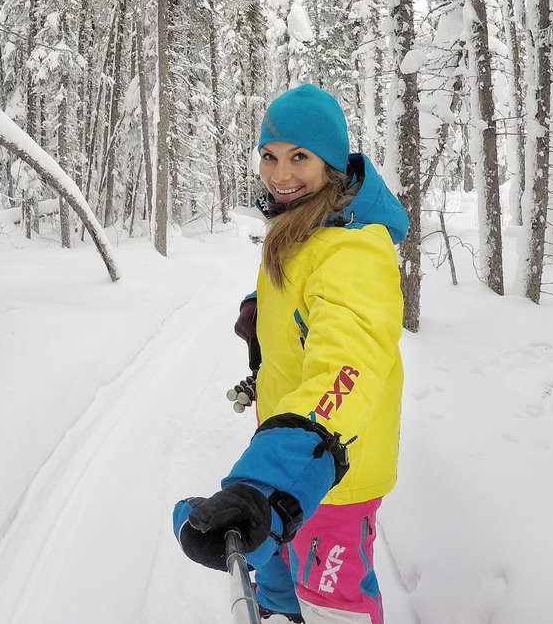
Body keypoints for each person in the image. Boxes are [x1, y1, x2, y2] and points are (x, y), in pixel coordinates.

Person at [173, 84, 408, 624]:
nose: (280, 174)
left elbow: (346, 365)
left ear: (330, 163)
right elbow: (311, 320)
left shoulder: (354, 248)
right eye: (270, 156)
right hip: (301, 459)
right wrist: (268, 317)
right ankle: (283, 610)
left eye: (299, 156)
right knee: (281, 567)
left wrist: (263, 482)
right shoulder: (303, 227)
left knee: (334, 607)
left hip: (333, 472)